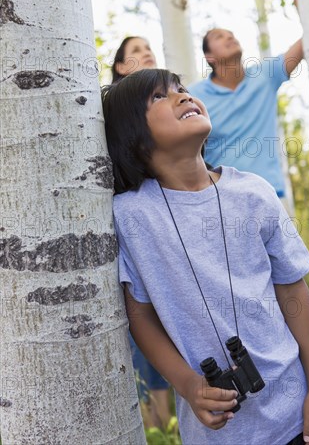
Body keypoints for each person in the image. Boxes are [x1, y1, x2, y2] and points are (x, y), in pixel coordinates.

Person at [102, 68, 309, 445]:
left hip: (294, 417)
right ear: (133, 136)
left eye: (181, 88)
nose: (182, 96)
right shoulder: (130, 215)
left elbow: (292, 290)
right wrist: (189, 385)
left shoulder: (253, 192)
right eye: (159, 96)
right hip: (217, 434)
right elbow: (139, 313)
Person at [188, 0, 302, 202]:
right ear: (209, 56)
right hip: (219, 198)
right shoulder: (194, 96)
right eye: (219, 36)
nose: (230, 37)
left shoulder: (266, 75)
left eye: (231, 34)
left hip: (270, 195)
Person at [110, 36, 171, 429]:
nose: (147, 52)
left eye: (151, 48)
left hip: (162, 227)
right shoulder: (111, 112)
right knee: (140, 323)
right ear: (119, 67)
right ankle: (154, 425)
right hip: (127, 229)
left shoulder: (164, 108)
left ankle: (167, 422)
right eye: (137, 50)